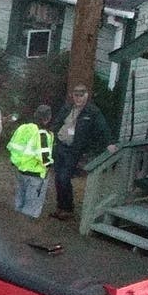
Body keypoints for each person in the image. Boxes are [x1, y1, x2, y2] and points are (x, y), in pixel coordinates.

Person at [51, 82, 113, 218]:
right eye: (76, 95)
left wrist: (109, 143)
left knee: (64, 177)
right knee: (58, 178)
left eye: (81, 95)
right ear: (72, 96)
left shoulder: (92, 112)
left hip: (74, 150)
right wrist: (53, 135)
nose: (78, 98)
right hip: (61, 145)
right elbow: (57, 122)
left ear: (86, 96)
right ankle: (60, 206)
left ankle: (68, 208)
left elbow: (103, 128)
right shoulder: (67, 108)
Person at [7, 105, 53, 218]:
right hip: (36, 175)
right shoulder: (42, 134)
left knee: (19, 202)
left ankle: (15, 227)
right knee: (31, 209)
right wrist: (50, 165)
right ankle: (24, 232)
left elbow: (12, 146)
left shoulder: (23, 128)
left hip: (21, 171)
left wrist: (17, 162)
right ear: (48, 118)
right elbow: (44, 158)